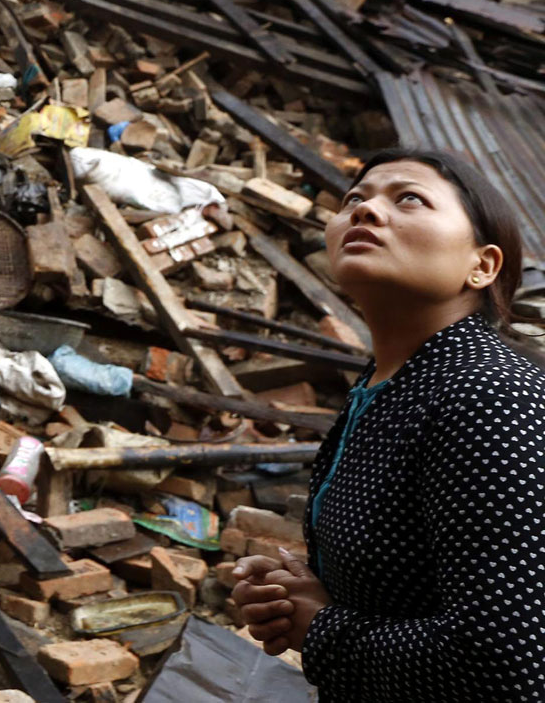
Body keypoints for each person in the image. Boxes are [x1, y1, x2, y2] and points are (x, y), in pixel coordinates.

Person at [232, 148, 545, 701]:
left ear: (483, 265)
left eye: (409, 199)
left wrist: (322, 629)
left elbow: (508, 664)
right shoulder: (389, 384)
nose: (366, 211)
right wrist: (301, 593)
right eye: (355, 198)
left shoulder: (490, 392)